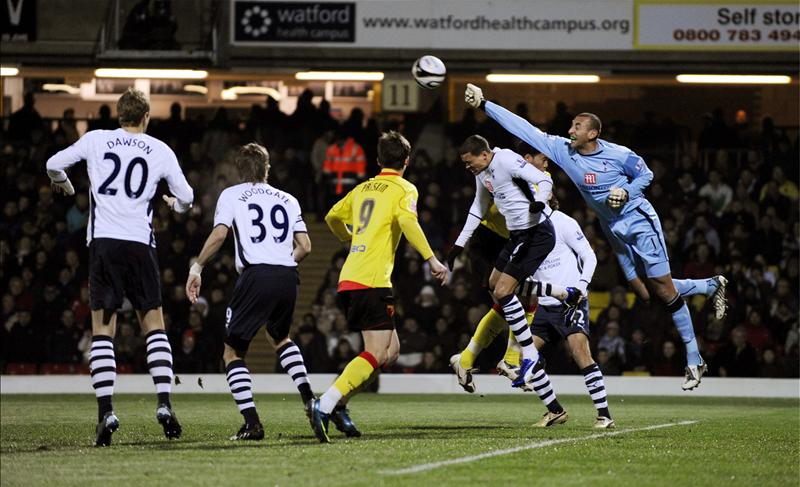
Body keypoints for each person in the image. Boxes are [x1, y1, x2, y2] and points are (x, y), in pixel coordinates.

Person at [464, 83, 728, 390]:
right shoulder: (564, 151)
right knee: (645, 293)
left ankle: (694, 360)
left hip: (639, 222)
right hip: (611, 229)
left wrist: (625, 190)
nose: (571, 129)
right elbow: (527, 129)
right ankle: (710, 285)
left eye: (577, 126)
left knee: (665, 291)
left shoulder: (619, 155)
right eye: (571, 125)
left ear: (593, 133)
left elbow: (647, 175)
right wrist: (485, 104)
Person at [46, 87, 193, 446]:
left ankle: (106, 413)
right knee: (153, 324)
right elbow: (187, 198)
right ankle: (163, 402)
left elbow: (53, 164)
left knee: (103, 329)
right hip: (140, 244)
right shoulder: (160, 149)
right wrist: (173, 205)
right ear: (146, 118)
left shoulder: (97, 139)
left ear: (118, 115)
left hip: (105, 244)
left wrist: (63, 185)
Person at [309, 131, 449, 443]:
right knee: (376, 351)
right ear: (407, 161)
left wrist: (348, 236)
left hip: (350, 279)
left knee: (390, 351)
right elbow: (409, 223)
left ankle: (339, 406)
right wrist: (432, 259)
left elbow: (332, 215)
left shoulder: (361, 188)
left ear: (377, 160)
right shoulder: (404, 188)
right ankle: (326, 403)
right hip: (371, 281)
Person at [185, 143, 315, 441]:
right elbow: (306, 246)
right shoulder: (288, 198)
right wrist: (281, 263)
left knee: (232, 352)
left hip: (256, 274)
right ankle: (309, 399)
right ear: (267, 169)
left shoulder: (231, 195)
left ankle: (252, 423)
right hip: (287, 275)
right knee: (280, 337)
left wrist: (197, 267)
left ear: (239, 171)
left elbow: (219, 234)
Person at [451, 134, 581, 392]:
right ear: (527, 158)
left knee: (511, 296)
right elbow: (481, 207)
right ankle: (510, 359)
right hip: (493, 240)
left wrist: (541, 202)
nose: (547, 164)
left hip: (509, 238)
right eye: (543, 159)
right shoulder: (507, 167)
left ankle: (475, 359)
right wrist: (459, 243)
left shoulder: (525, 176)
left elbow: (541, 199)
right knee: (512, 295)